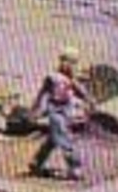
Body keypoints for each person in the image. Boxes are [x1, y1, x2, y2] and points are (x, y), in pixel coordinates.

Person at [28, 47, 94, 181]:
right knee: (64, 138)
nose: (70, 66)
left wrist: (89, 101)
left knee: (52, 140)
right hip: (56, 111)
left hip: (67, 111)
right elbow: (42, 93)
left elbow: (80, 91)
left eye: (73, 63)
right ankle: (75, 167)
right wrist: (36, 110)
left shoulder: (70, 79)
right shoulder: (52, 77)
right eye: (68, 62)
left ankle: (36, 162)